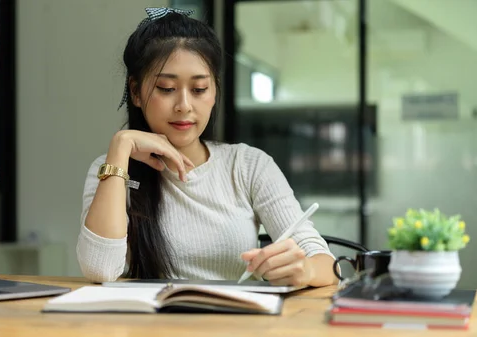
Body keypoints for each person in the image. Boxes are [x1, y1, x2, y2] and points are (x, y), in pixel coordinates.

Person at [76, 7, 337, 287]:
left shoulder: (248, 165)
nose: (184, 106)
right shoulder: (113, 169)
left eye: (199, 89)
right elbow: (99, 270)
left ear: (214, 92)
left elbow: (327, 265)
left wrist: (304, 270)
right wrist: (121, 144)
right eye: (166, 88)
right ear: (136, 92)